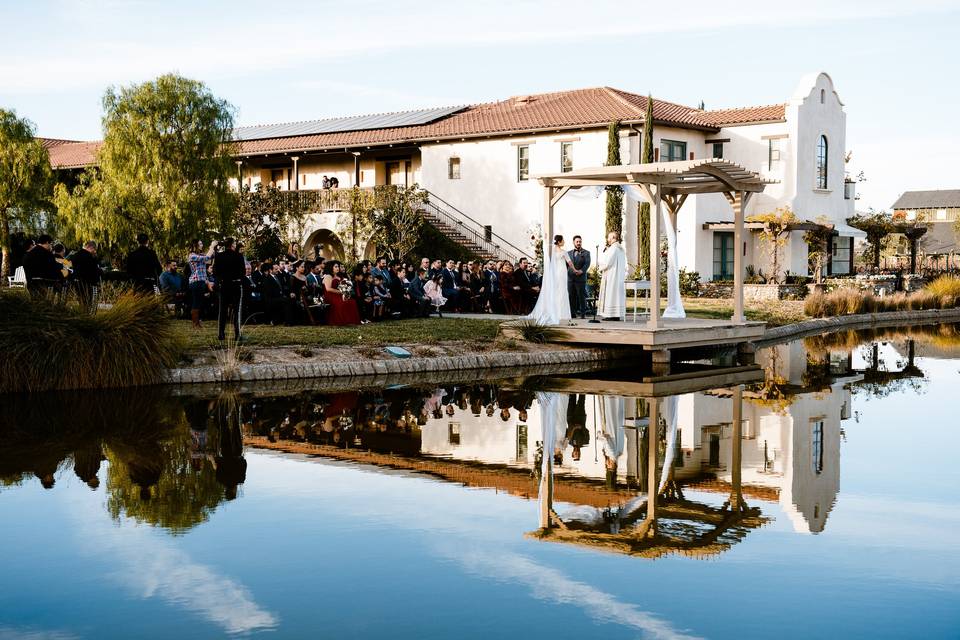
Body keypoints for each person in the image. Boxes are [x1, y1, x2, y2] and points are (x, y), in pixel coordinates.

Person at [527, 235, 574, 326]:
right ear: (559, 242)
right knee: (562, 292)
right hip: (562, 273)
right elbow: (570, 263)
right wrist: (575, 270)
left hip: (554, 273)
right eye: (563, 240)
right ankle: (562, 313)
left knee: (555, 292)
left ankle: (553, 311)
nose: (564, 241)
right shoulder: (564, 252)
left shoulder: (551, 252)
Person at [212, 237, 246, 341]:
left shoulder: (219, 256)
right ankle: (237, 334)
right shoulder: (239, 256)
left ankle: (221, 334)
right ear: (232, 245)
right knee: (237, 310)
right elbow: (243, 272)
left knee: (222, 310)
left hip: (224, 285)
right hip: (235, 285)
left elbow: (215, 272)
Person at [187, 239, 217, 329]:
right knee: (196, 303)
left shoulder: (200, 255)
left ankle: (197, 323)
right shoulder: (192, 255)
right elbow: (207, 258)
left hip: (202, 281)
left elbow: (210, 258)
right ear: (195, 245)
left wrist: (214, 249)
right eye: (200, 244)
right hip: (195, 281)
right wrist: (211, 247)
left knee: (199, 303)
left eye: (202, 243)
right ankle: (195, 324)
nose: (202, 245)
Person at [598, 231, 627, 321]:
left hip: (611, 276)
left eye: (609, 237)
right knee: (615, 295)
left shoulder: (613, 249)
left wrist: (600, 267)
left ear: (613, 238)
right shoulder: (620, 248)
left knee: (611, 294)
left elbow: (608, 262)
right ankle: (616, 315)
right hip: (617, 276)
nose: (608, 239)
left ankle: (611, 315)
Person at [322, 261, 361, 326]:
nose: (338, 268)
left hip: (339, 294)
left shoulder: (339, 276)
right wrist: (341, 292)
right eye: (336, 267)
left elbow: (343, 285)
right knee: (341, 303)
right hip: (330, 295)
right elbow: (328, 289)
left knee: (352, 302)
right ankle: (342, 321)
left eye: (338, 267)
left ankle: (350, 321)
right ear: (331, 267)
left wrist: (346, 289)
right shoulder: (328, 276)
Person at [70, 240, 102, 312]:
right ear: (90, 247)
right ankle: (89, 316)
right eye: (94, 249)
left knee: (81, 300)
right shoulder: (90, 256)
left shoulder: (76, 255)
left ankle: (82, 314)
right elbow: (94, 270)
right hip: (88, 282)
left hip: (77, 281)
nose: (94, 251)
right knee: (90, 302)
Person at [567, 235, 591, 319]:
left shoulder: (586, 253)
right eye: (577, 241)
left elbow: (587, 264)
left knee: (581, 296)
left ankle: (583, 314)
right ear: (573, 242)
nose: (578, 243)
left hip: (580, 278)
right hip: (570, 278)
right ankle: (572, 313)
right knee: (571, 296)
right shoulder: (568, 253)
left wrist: (581, 271)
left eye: (580, 241)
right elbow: (566, 265)